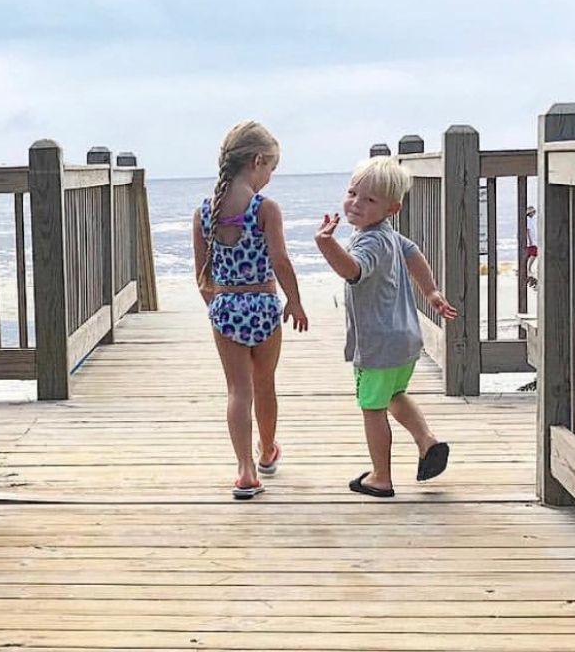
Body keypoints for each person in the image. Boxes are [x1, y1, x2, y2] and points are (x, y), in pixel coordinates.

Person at [313, 156, 457, 497]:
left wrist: (327, 244)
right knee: (393, 395)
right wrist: (431, 291)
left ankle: (381, 476)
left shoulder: (370, 241)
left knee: (373, 408)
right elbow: (414, 254)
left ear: (392, 209)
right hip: (405, 340)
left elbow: (353, 270)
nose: (356, 203)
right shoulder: (388, 234)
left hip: (378, 344)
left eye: (369, 199)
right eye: (352, 193)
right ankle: (426, 441)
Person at [192, 121, 308, 500]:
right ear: (257, 161)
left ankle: (244, 471)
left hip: (226, 307)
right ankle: (267, 451)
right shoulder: (265, 208)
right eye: (270, 168)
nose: (270, 177)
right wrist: (295, 301)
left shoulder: (204, 213)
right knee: (265, 382)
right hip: (263, 306)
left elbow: (202, 275)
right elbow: (281, 260)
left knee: (238, 390)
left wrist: (218, 308)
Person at [525, 205, 539, 287]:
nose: (534, 214)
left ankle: (527, 269)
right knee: (534, 253)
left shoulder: (530, 220)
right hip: (531, 241)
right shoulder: (528, 220)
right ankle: (529, 268)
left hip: (532, 240)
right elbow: (528, 230)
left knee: (530, 254)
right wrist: (530, 240)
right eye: (533, 212)